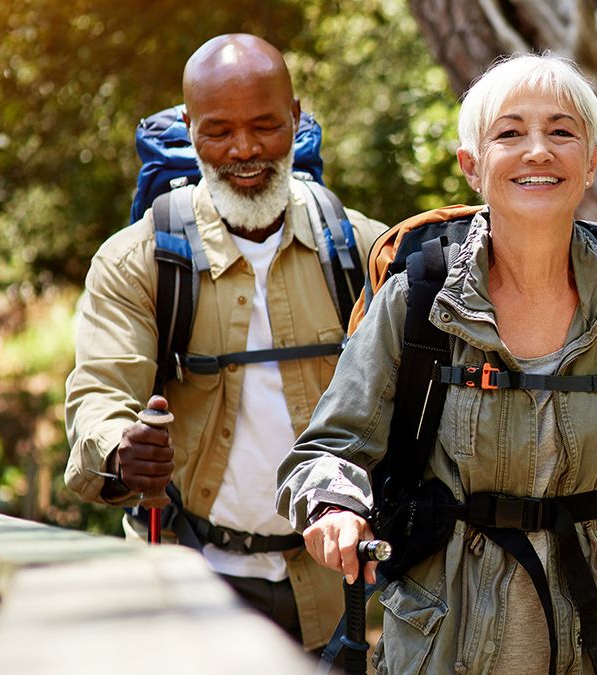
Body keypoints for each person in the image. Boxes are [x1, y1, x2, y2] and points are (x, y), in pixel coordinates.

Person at [277, 54, 597, 674]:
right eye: (510, 133)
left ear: (592, 160)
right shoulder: (418, 298)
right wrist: (335, 505)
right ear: (473, 165)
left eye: (562, 132)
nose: (538, 151)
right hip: (452, 639)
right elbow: (331, 447)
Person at [64, 34, 387, 651]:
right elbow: (100, 397)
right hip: (188, 579)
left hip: (332, 587)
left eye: (266, 126)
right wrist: (119, 452)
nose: (244, 150)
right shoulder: (139, 260)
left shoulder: (359, 249)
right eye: (218, 131)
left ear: (295, 118)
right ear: (190, 129)